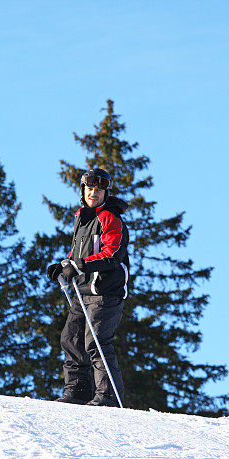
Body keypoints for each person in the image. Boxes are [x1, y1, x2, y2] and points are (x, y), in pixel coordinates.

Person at [46, 168, 129, 407]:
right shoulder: (82, 217)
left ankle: (108, 396)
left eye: (99, 189)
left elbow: (111, 254)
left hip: (105, 292)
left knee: (96, 342)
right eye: (90, 188)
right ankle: (78, 391)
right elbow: (81, 253)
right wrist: (64, 265)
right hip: (83, 292)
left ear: (106, 193)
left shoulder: (109, 217)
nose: (94, 193)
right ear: (83, 191)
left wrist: (78, 265)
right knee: (71, 339)